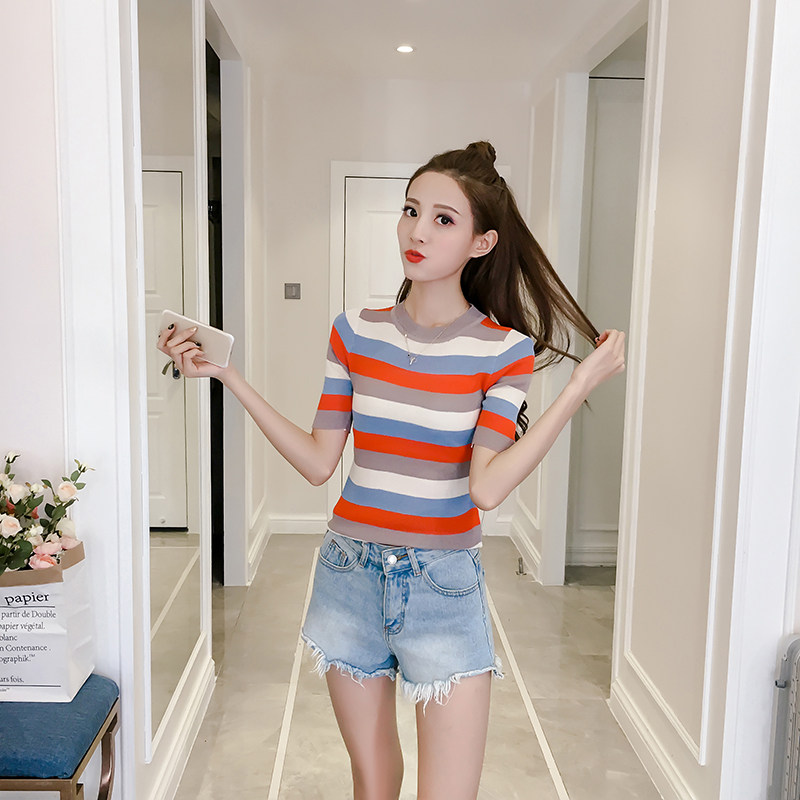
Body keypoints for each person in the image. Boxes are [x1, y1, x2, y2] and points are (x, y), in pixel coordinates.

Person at [158, 141, 625, 800]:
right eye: (411, 210)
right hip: (348, 574)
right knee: (373, 783)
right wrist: (228, 376)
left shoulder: (504, 350)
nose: (417, 231)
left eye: (443, 219)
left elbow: (487, 486)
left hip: (443, 586)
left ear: (483, 242)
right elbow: (319, 462)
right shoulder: (354, 331)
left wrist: (575, 390)